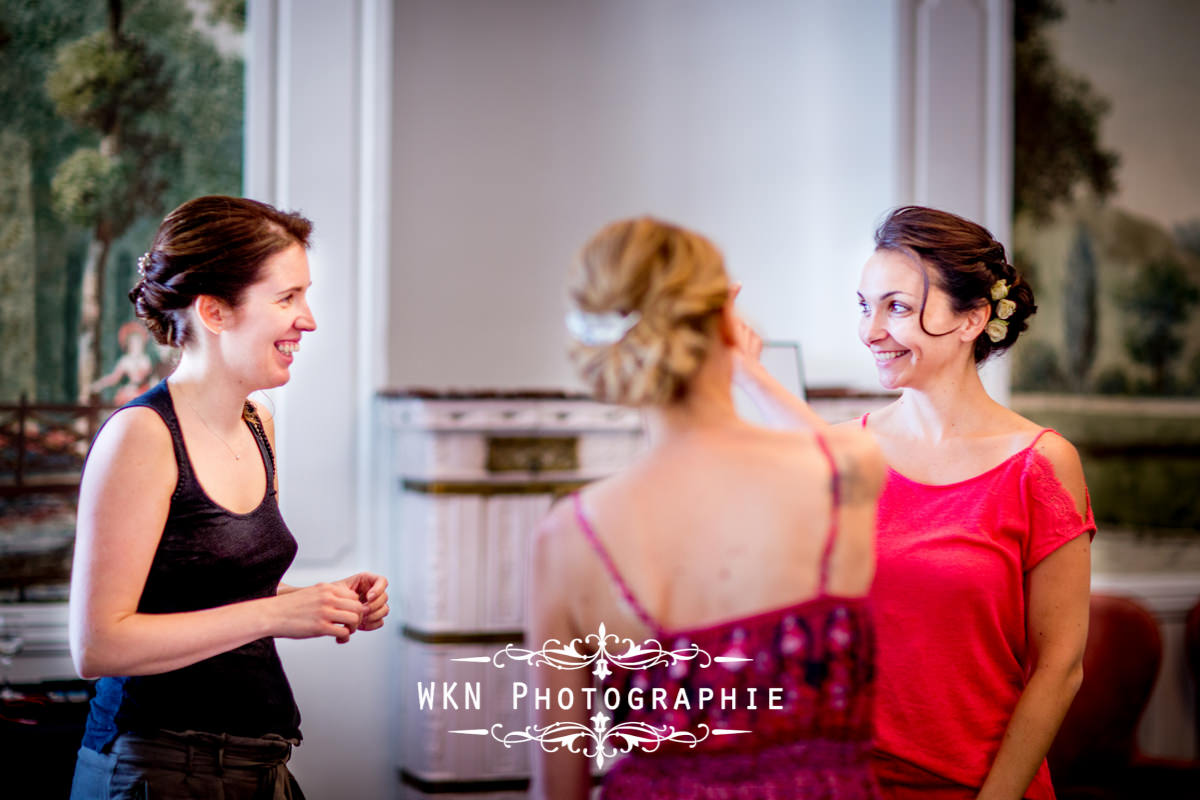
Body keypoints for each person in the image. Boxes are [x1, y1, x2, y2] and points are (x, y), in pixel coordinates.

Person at [733, 206, 1093, 800]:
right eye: (863, 305)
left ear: (973, 318)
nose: (870, 330)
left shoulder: (1041, 464)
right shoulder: (844, 452)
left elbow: (1060, 668)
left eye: (896, 307)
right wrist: (739, 369)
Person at [529, 216, 885, 800]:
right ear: (722, 318)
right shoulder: (843, 470)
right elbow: (831, 442)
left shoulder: (566, 538)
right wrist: (748, 368)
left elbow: (556, 790)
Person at [68, 195, 390, 799]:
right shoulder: (140, 437)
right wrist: (277, 614)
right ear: (214, 311)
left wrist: (322, 604)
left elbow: (206, 592)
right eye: (287, 297)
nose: (309, 319)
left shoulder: (257, 421)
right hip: (156, 772)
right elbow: (97, 644)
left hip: (256, 766)